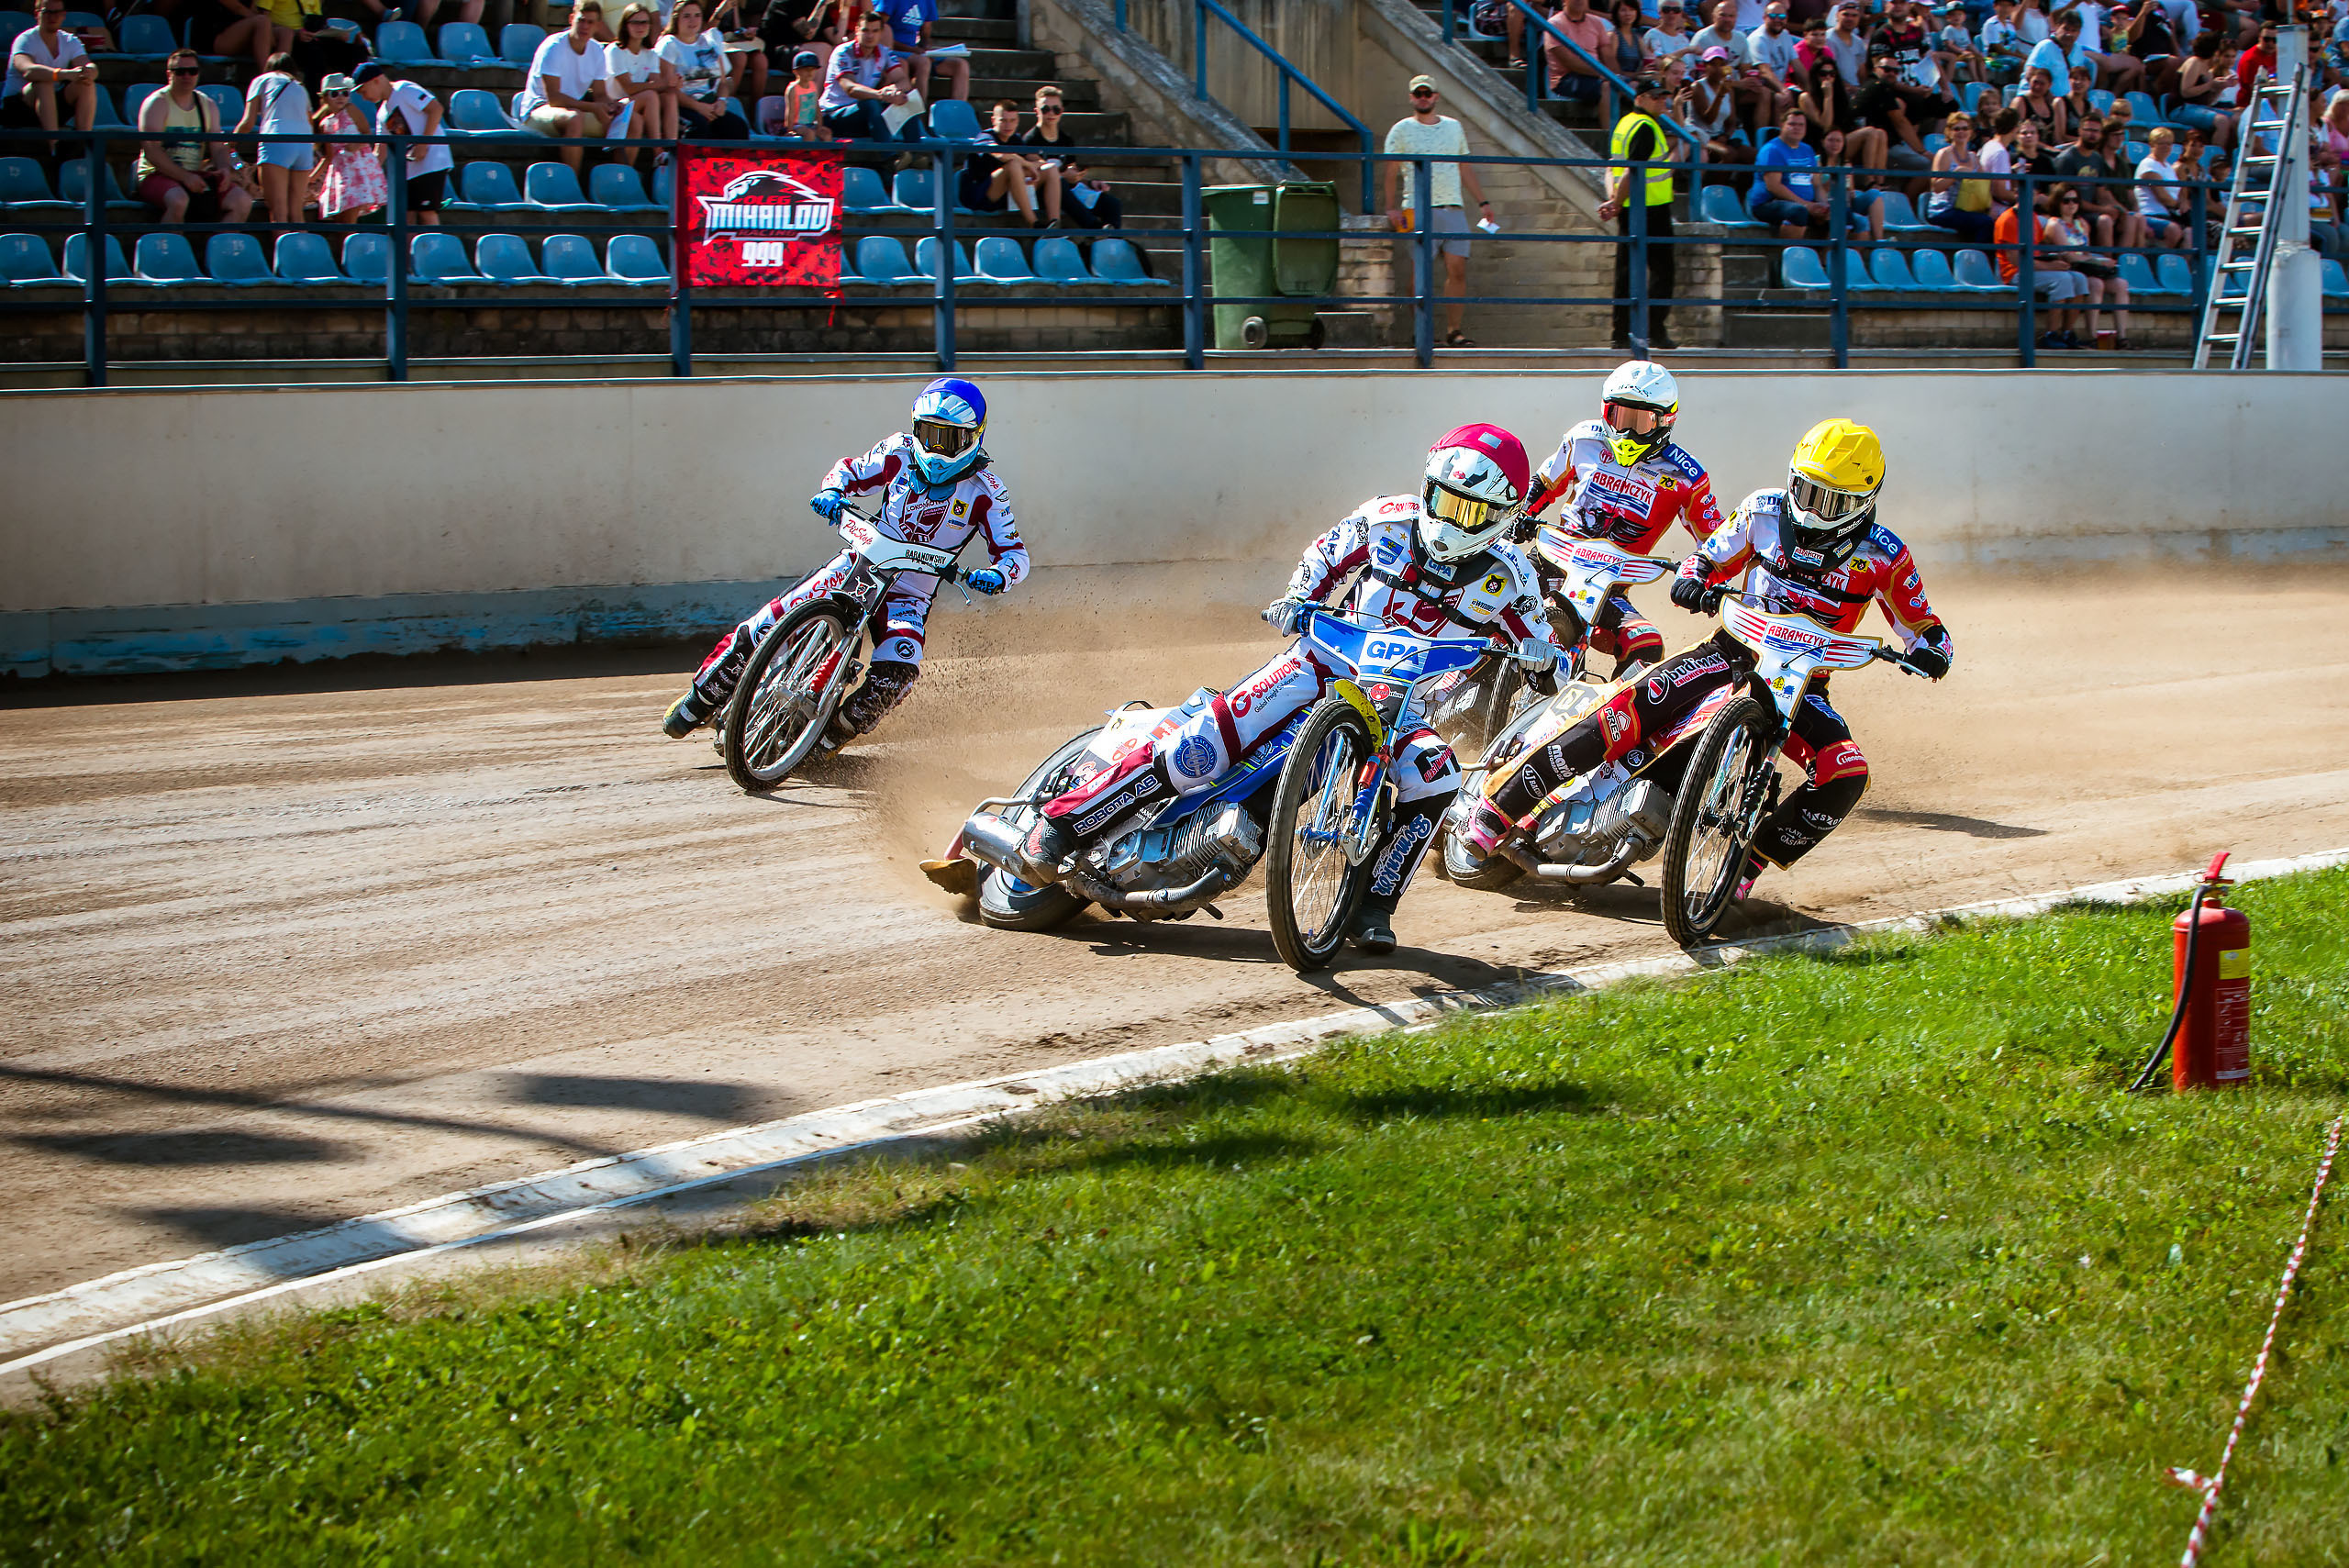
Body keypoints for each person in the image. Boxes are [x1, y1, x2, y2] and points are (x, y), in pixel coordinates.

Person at [1015, 425, 1563, 955]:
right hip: (1319, 662)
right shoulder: (1385, 520)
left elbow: (1553, 667)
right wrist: (1300, 598)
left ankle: (1374, 904)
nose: (1452, 519)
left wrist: (1543, 660)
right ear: (1426, 487)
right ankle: (1061, 822)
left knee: (1436, 780)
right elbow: (1323, 555)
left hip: (1401, 703)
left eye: (1470, 510)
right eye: (1444, 500)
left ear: (1502, 517)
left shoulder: (1513, 578)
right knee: (1203, 746)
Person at [1453, 417, 1953, 908]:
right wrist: (1694, 580)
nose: (1812, 509)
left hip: (1802, 685)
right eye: (1805, 489)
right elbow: (1707, 558)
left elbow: (1925, 627)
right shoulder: (1761, 511)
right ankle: (1500, 808)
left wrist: (1933, 651)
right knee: (1629, 710)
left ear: (1864, 501)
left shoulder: (1886, 555)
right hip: (1729, 653)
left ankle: (1746, 864)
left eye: (1831, 500)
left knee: (1847, 772)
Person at [663, 378, 1025, 749]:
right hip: (858, 565)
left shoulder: (988, 491)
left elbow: (1015, 555)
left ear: (973, 438)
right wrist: (831, 491)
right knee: (765, 624)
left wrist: (998, 575)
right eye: (927, 433)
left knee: (897, 675)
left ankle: (828, 738)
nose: (934, 448)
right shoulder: (898, 451)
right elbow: (851, 471)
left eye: (946, 439)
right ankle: (700, 700)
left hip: (909, 595)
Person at [1522, 361, 1723, 677]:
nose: (1627, 431)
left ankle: (1597, 721)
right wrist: (1522, 515)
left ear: (1665, 421)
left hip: (1606, 589)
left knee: (1646, 645)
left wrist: (1702, 581)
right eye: (1619, 416)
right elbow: (1545, 483)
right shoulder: (1583, 439)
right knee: (1493, 597)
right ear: (1605, 411)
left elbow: (1716, 542)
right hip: (1551, 559)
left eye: (1640, 421)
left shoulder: (1687, 476)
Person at [1383, 75, 1495, 349]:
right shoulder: (1400, 130)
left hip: (1452, 208)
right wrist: (1390, 207)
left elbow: (1464, 167)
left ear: (1436, 96)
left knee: (1457, 271)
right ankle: (1425, 331)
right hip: (1419, 209)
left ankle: (1454, 332)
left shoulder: (1454, 128)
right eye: (1418, 93)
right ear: (1411, 97)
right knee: (1419, 275)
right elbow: (1391, 171)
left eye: (1427, 93)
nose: (1423, 97)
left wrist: (1483, 202)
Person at [132, 49, 256, 224]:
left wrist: (224, 170)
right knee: (178, 200)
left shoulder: (207, 105)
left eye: (193, 71)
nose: (187, 76)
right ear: (169, 74)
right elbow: (152, 150)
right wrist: (184, 177)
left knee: (242, 202)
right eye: (180, 72)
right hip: (155, 175)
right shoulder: (156, 103)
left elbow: (218, 147)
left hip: (195, 175)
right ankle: (170, 248)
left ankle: (219, 248)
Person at [522, 1, 618, 169]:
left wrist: (612, 105)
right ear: (571, 19)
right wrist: (594, 107)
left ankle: (621, 179)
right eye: (581, 20)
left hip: (574, 110)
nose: (585, 26)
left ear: (597, 26)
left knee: (631, 121)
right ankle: (572, 186)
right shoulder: (554, 47)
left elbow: (600, 95)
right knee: (574, 119)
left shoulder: (596, 50)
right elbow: (554, 99)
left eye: (590, 22)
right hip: (537, 110)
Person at [1015, 85, 1122, 233]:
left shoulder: (1066, 140)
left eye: (1056, 109)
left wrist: (1090, 182)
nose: (1051, 113)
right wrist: (1065, 177)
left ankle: (1111, 241)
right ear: (1036, 111)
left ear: (1062, 111)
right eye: (1045, 109)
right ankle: (1095, 231)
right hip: (1041, 193)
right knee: (1061, 183)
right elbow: (1036, 175)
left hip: (1067, 190)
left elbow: (1071, 175)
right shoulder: (1030, 140)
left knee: (1112, 204)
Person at [1991, 194, 2096, 344]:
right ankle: (2050, 335)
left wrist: (2056, 260)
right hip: (2013, 273)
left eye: (2034, 193)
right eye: (2028, 192)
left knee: (2079, 278)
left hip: (2036, 268)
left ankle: (2067, 333)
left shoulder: (2032, 216)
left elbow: (2039, 250)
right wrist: (2050, 266)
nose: (2032, 196)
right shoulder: (2008, 219)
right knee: (2063, 279)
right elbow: (2014, 260)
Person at [357, 64, 453, 226]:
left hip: (432, 162)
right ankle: (407, 251)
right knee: (405, 218)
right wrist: (364, 178)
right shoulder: (382, 113)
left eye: (363, 91)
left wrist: (423, 144)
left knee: (427, 213)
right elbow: (381, 151)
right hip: (409, 170)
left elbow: (436, 109)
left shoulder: (404, 89)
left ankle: (437, 250)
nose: (364, 98)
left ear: (376, 81)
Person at [2042, 182, 2130, 344]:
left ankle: (2122, 337)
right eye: (2066, 201)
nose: (2071, 204)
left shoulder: (2082, 223)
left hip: (2086, 268)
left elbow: (2085, 252)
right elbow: (2069, 256)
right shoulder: (2055, 224)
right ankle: (2092, 336)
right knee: (2096, 284)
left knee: (2121, 284)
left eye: (2075, 200)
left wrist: (2102, 262)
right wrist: (2098, 261)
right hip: (2070, 269)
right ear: (2057, 202)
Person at [3, 3, 95, 147]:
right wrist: (63, 74)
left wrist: (90, 72)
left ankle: (83, 144)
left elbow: (88, 65)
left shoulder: (70, 41)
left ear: (64, 15)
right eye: (47, 12)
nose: (53, 17)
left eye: (57, 12)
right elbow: (29, 71)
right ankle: (55, 147)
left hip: (51, 106)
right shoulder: (25, 40)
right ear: (37, 14)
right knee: (44, 82)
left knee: (86, 84)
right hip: (19, 108)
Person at [236, 52, 312, 226]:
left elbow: (248, 122)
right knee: (297, 213)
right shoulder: (300, 86)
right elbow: (310, 121)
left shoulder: (262, 80)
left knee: (278, 213)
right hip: (304, 144)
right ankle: (301, 250)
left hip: (277, 139)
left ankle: (280, 251)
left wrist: (230, 144)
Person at [2054, 108, 2142, 246]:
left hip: (2092, 210)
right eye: (2088, 130)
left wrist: (2121, 211)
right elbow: (2067, 198)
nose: (2092, 135)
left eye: (2096, 131)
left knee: (2130, 219)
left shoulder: (2096, 158)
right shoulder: (2068, 159)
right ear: (2080, 131)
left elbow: (2103, 194)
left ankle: (2123, 263)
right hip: (2072, 210)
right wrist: (2103, 210)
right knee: (2105, 220)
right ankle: (2106, 263)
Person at [662, 0, 749, 139]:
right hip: (683, 107)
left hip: (711, 105)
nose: (692, 20)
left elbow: (722, 82)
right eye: (686, 16)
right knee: (698, 128)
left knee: (737, 127)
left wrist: (721, 100)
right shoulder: (669, 44)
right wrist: (698, 107)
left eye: (697, 15)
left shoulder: (709, 41)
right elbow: (668, 88)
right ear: (676, 19)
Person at [818, 11, 909, 139]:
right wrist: (881, 95)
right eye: (865, 30)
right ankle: (892, 157)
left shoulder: (885, 52)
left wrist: (895, 91)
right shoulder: (843, 52)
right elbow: (850, 88)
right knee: (871, 104)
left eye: (875, 31)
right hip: (834, 113)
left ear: (881, 33)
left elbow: (904, 81)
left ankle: (918, 154)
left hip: (864, 114)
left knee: (907, 99)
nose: (870, 35)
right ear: (857, 31)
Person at [959, 98, 1050, 225]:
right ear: (994, 120)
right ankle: (1034, 223)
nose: (1008, 125)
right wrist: (1029, 165)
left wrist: (1037, 165)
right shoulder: (985, 137)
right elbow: (1001, 154)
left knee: (1050, 170)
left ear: (1017, 121)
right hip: (981, 196)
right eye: (1003, 120)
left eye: (1012, 121)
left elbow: (1038, 160)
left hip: (1005, 195)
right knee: (1013, 165)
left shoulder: (1015, 139)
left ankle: (1055, 223)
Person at [308, 73, 384, 222]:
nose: (340, 97)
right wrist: (311, 177)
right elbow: (329, 156)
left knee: (350, 220)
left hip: (357, 172)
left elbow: (367, 134)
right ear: (324, 97)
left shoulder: (351, 110)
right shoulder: (326, 123)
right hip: (340, 174)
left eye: (345, 93)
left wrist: (355, 145)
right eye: (334, 94)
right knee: (341, 221)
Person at [607, 2, 677, 158]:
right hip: (613, 104)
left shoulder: (650, 54)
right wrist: (664, 83)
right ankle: (658, 151)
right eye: (635, 22)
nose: (641, 26)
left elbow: (657, 84)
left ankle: (672, 147)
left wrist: (670, 84)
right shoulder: (614, 50)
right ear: (625, 25)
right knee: (650, 95)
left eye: (645, 22)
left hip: (634, 104)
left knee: (669, 95)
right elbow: (629, 88)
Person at [1753, 105, 1830, 234]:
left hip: (1805, 204)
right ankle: (1791, 253)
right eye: (1792, 124)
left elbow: (1816, 184)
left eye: (1801, 125)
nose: (1797, 128)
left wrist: (1824, 205)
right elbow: (1774, 187)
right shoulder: (1772, 150)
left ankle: (1827, 254)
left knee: (1841, 215)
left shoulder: (1807, 149)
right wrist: (1806, 204)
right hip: (1769, 204)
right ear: (1782, 125)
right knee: (1798, 212)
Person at [877, 0, 966, 105]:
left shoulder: (928, 1)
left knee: (960, 65)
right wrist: (912, 50)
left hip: (914, 52)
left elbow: (925, 33)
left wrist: (928, 49)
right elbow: (878, 34)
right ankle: (918, 113)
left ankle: (957, 113)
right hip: (894, 51)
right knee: (923, 62)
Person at [1924, 108, 1997, 237]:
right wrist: (1957, 173)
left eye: (1965, 128)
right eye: (1956, 129)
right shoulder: (1944, 154)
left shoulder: (1974, 157)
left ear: (1970, 132)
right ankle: (1980, 256)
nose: (1961, 132)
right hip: (1944, 209)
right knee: (1985, 222)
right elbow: (1936, 187)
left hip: (1967, 208)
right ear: (1949, 132)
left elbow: (1983, 184)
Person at [1543, 0, 1616, 106]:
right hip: (1566, 79)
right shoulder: (1554, 24)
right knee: (1608, 88)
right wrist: (1603, 74)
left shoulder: (1596, 22)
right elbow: (1570, 63)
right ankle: (1609, 124)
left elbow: (1608, 56)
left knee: (1633, 86)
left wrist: (1616, 74)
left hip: (1595, 75)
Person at [2170, 29, 2234, 148]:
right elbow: (2186, 91)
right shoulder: (2194, 62)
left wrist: (2220, 87)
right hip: (2181, 108)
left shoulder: (2208, 70)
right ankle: (2216, 158)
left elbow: (2208, 102)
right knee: (2222, 121)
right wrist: (2210, 85)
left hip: (2200, 108)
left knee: (2237, 118)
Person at [2134, 124, 2188, 245]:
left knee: (2190, 233)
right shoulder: (2149, 165)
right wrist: (2180, 205)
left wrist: (2184, 201)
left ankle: (2178, 263)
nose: (2166, 147)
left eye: (2169, 144)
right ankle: (2157, 260)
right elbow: (2163, 197)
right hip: (2150, 214)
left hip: (2168, 214)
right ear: (2152, 145)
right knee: (2173, 230)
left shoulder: (2168, 166)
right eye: (2161, 143)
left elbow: (2179, 192)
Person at [2015, 63, 2069, 145]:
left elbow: (2057, 137)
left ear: (2049, 85)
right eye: (2035, 82)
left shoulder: (2051, 104)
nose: (2037, 87)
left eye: (2042, 84)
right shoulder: (2020, 102)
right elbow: (2018, 134)